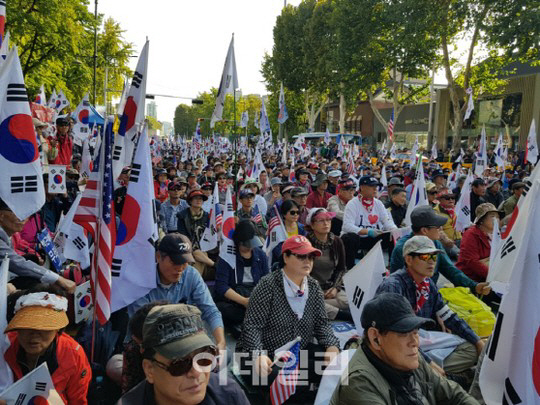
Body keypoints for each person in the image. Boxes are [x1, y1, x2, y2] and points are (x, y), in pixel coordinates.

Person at [236, 235, 340, 402]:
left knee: (335, 363)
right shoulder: (268, 285)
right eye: (301, 256)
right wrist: (258, 354)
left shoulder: (313, 287)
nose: (307, 261)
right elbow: (252, 326)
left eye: (310, 257)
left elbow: (322, 323)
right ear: (285, 257)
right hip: (264, 355)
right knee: (282, 378)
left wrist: (332, 346)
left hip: (296, 352)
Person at [330, 293, 479, 405]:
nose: (415, 342)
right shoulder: (358, 384)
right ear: (375, 338)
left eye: (415, 332)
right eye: (404, 333)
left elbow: (455, 394)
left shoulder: (410, 359)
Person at [378, 236, 485, 374]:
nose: (431, 262)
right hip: (398, 343)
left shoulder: (429, 284)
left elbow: (449, 316)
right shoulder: (393, 287)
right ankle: (428, 373)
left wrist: (477, 341)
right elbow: (395, 335)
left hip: (421, 339)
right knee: (402, 359)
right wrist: (428, 362)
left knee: (472, 348)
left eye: (434, 257)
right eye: (424, 257)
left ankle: (428, 373)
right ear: (409, 260)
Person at [118, 304, 249, 405]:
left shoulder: (229, 395)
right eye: (180, 364)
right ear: (149, 370)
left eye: (204, 359)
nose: (197, 373)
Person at [127, 234, 226, 352]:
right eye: (175, 262)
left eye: (185, 262)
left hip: (183, 342)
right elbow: (144, 327)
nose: (180, 269)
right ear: (158, 257)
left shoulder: (191, 275)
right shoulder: (141, 281)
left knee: (223, 357)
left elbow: (211, 311)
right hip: (148, 345)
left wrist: (221, 342)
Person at [4, 286, 91, 404]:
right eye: (26, 325)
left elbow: (78, 401)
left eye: (44, 327)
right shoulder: (4, 347)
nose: (34, 334)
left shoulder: (74, 355)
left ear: (57, 330)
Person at [390, 206, 490, 296]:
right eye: (438, 227)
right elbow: (400, 285)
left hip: (429, 293)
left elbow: (450, 269)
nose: (441, 229)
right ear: (424, 230)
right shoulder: (402, 249)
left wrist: (474, 286)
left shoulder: (435, 243)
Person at [0, 199, 75, 292]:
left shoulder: (9, 235)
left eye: (25, 214)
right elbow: (16, 263)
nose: (24, 218)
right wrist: (57, 279)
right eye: (17, 213)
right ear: (1, 216)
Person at [214, 220, 269, 336]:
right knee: (223, 310)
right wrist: (244, 301)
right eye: (246, 245)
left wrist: (257, 300)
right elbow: (221, 286)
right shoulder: (227, 257)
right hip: (235, 300)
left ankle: (250, 322)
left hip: (255, 297)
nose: (249, 248)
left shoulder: (261, 255)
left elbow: (267, 281)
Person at [341, 176, 397, 269]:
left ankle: (392, 266)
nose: (375, 189)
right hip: (358, 238)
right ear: (362, 187)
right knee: (350, 238)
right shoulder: (352, 203)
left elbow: (387, 221)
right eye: (372, 186)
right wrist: (367, 231)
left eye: (376, 186)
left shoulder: (378, 203)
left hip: (372, 237)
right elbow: (347, 226)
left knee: (392, 234)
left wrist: (394, 229)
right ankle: (349, 268)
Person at [305, 208, 350, 321]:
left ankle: (320, 308)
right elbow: (303, 274)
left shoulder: (337, 241)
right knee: (310, 303)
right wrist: (318, 292)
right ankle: (340, 314)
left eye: (328, 220)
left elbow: (341, 269)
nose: (326, 223)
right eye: (321, 220)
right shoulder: (306, 243)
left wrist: (335, 288)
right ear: (312, 225)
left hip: (329, 288)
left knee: (348, 301)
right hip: (311, 289)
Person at [456, 203, 502, 282]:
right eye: (492, 216)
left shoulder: (496, 234)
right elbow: (472, 262)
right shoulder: (471, 234)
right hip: (471, 279)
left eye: (497, 216)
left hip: (488, 275)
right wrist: (493, 276)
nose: (496, 219)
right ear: (482, 220)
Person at [177, 190, 215, 279]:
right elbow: (182, 236)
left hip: (204, 248)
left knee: (200, 255)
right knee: (198, 255)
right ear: (190, 201)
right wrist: (192, 248)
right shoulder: (182, 216)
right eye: (195, 198)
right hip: (187, 247)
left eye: (201, 199)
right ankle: (213, 264)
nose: (198, 200)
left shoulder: (207, 216)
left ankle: (193, 282)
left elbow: (210, 236)